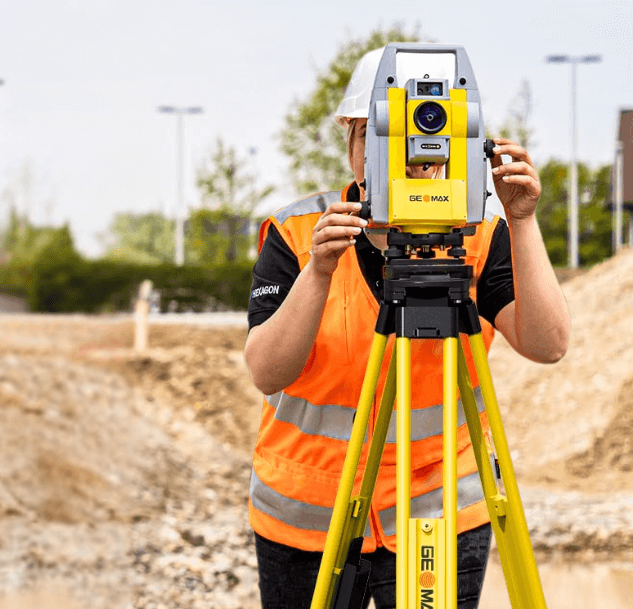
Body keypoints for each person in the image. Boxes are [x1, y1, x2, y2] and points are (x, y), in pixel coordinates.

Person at [243, 47, 570, 609]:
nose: (404, 150)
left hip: (434, 514)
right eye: (379, 131)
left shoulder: (481, 235)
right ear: (349, 136)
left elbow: (548, 345)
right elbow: (268, 370)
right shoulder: (299, 231)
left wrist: (522, 220)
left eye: (420, 127)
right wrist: (319, 272)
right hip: (308, 517)